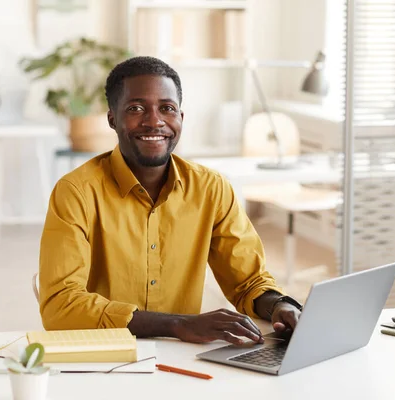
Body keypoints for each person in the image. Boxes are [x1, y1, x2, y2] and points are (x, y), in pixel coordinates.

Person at [39, 56, 302, 345]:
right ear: (112, 118)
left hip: (182, 354)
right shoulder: (76, 192)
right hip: (106, 351)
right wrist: (177, 324)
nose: (154, 121)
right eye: (136, 108)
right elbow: (60, 306)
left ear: (180, 118)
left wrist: (279, 305)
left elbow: (248, 282)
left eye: (167, 108)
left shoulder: (211, 189)